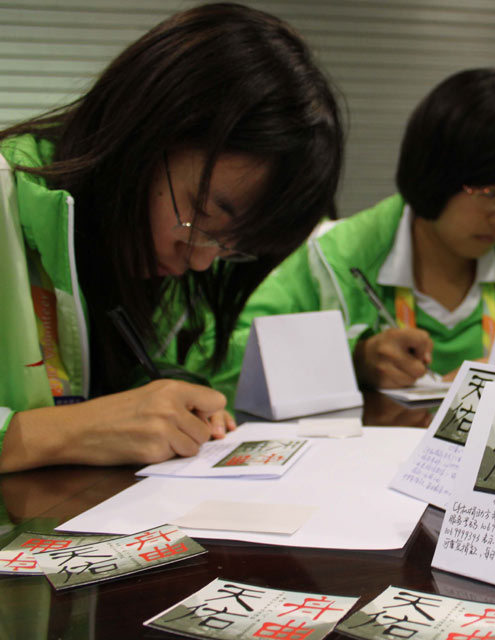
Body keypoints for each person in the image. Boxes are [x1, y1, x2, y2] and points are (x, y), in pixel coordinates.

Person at [0, 3, 343, 472]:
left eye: (229, 245)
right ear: (141, 132)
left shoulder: (137, 255)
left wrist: (165, 397)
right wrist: (70, 431)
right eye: (201, 213)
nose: (200, 261)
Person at [192, 67, 495, 398]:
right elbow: (217, 357)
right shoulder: (335, 256)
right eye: (491, 195)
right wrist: (354, 359)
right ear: (436, 173)